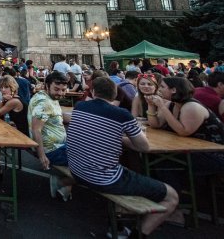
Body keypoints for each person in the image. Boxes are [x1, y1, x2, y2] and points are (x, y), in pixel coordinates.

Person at [67, 77, 178, 237]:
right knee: (172, 196)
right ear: (114, 95)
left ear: (92, 92)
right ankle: (137, 235)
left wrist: (115, 136)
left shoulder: (79, 106)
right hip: (104, 178)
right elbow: (144, 147)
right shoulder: (121, 114)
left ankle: (120, 222)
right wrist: (120, 137)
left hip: (77, 171)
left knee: (129, 168)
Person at [147, 76, 224, 221]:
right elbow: (155, 124)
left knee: (166, 164)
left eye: (162, 87)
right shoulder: (172, 105)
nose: (159, 90)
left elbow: (183, 131)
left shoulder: (191, 106)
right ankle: (166, 203)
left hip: (215, 154)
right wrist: (151, 106)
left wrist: (162, 106)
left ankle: (176, 210)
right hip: (192, 150)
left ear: (174, 90)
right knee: (156, 160)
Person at [28, 70, 73, 201]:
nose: (60, 93)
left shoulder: (48, 97)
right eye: (57, 89)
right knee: (92, 164)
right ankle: (63, 183)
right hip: (53, 150)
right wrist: (42, 155)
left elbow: (57, 115)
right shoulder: (44, 103)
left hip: (58, 146)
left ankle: (66, 185)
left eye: (63, 90)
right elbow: (36, 129)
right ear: (47, 86)